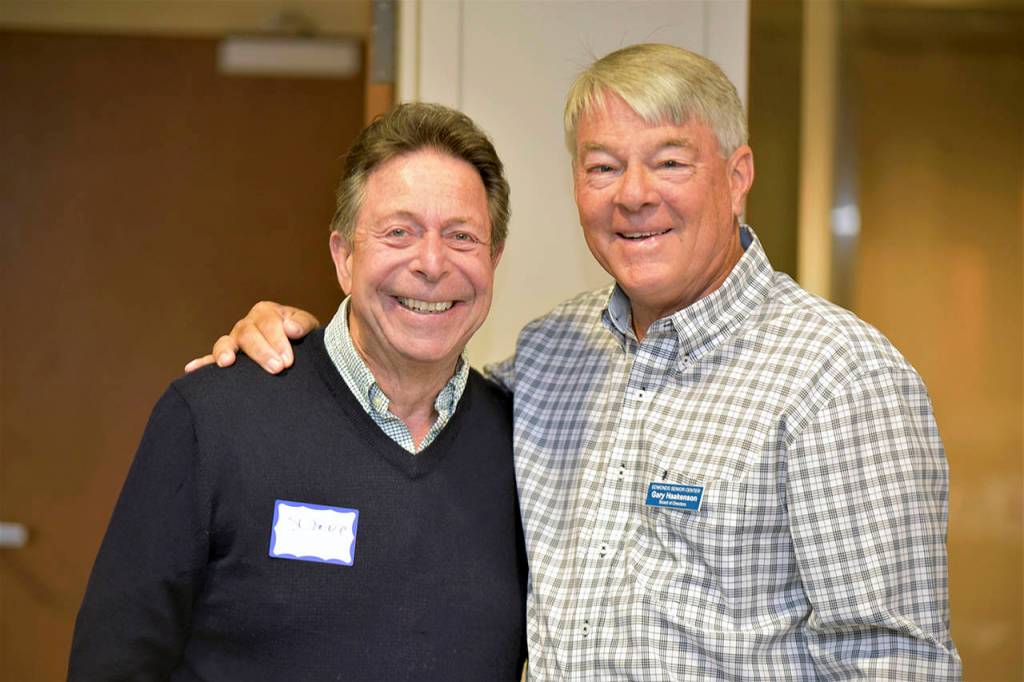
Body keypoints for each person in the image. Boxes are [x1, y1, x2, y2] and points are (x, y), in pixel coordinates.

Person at [193, 44, 961, 680]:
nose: (634, 195)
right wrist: (308, 343)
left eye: (670, 162)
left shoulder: (841, 380)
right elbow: (411, 393)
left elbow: (895, 664)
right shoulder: (549, 356)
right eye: (602, 167)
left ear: (738, 177)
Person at [70, 103, 527, 681]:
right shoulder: (213, 419)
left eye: (462, 237)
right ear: (344, 257)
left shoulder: (521, 450)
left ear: (493, 260)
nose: (432, 264)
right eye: (399, 232)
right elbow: (114, 663)